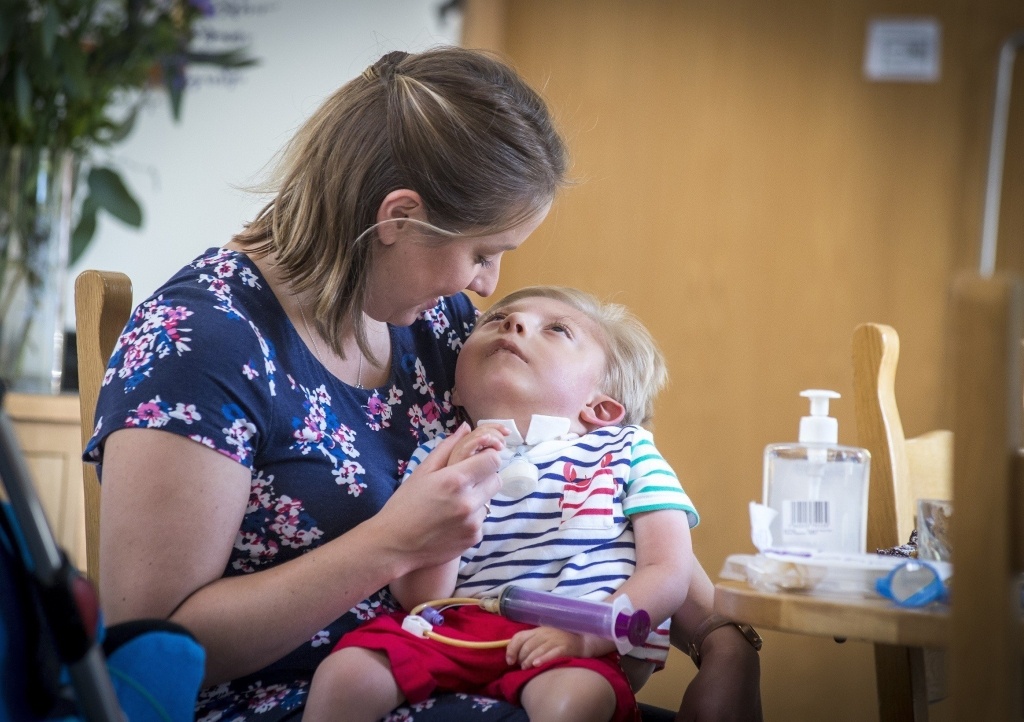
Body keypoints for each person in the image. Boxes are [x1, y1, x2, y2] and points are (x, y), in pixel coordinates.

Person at [84, 46, 761, 722]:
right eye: (482, 253)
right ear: (399, 219)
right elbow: (149, 650)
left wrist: (724, 640)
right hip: (289, 699)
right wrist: (391, 544)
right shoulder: (202, 341)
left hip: (460, 673)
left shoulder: (436, 327)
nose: (488, 288)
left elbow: (614, 497)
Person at [304, 286, 697, 722]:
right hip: (457, 631)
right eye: (497, 319)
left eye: (557, 330)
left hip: (579, 639)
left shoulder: (627, 450)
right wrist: (455, 490)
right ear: (456, 393)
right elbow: (420, 596)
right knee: (348, 673)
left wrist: (590, 633)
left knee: (574, 702)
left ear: (599, 408)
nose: (514, 323)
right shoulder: (438, 457)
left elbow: (669, 570)